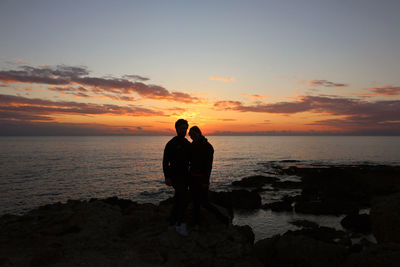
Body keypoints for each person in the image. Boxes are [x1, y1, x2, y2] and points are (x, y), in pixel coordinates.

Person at [188, 126, 230, 228]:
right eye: (190, 135)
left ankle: (223, 218)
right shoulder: (193, 145)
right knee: (195, 202)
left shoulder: (207, 147)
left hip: (201, 179)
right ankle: (196, 223)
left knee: (204, 202)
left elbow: (208, 166)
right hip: (192, 178)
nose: (192, 136)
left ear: (199, 133)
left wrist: (205, 181)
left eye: (193, 134)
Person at [162, 119, 191, 236]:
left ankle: (172, 224)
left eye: (185, 128)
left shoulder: (187, 144)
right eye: (181, 128)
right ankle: (181, 224)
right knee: (182, 199)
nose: (183, 130)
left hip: (186, 176)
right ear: (176, 129)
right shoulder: (171, 144)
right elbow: (165, 162)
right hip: (175, 176)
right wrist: (167, 177)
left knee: (179, 200)